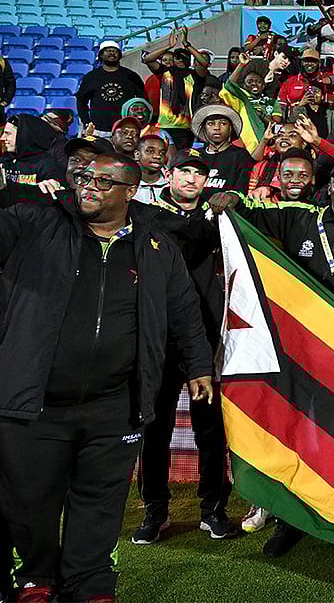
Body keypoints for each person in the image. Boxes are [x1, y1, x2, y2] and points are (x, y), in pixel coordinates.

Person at [0, 154, 213, 603]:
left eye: (103, 182)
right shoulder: (36, 222)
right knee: (28, 500)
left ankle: (89, 583)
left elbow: (185, 309)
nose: (88, 187)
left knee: (101, 502)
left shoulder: (155, 246)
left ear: (130, 191)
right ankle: (35, 579)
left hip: (115, 402)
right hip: (34, 401)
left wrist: (200, 364)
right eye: (85, 178)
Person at [132, 149, 240, 546]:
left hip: (205, 340)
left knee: (210, 431)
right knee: (154, 429)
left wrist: (234, 204)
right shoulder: (149, 217)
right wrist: (216, 216)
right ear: (169, 175)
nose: (191, 179)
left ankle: (213, 510)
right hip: (161, 339)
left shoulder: (220, 219)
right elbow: (189, 241)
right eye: (184, 172)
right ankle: (154, 511)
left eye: (197, 173)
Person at [76, 41, 147, 136]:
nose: (112, 53)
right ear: (101, 55)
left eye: (115, 51)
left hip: (125, 129)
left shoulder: (131, 76)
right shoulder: (91, 77)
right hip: (98, 130)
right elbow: (81, 101)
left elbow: (143, 100)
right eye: (108, 51)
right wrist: (86, 122)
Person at [190, 105, 254, 193]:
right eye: (210, 124)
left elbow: (241, 190)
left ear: (230, 128)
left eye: (223, 123)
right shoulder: (195, 155)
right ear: (204, 129)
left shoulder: (241, 155)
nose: (217, 128)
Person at [134, 133, 170, 203]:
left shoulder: (172, 182)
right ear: (137, 154)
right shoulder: (126, 181)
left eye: (162, 153)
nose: (157, 156)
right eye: (150, 151)